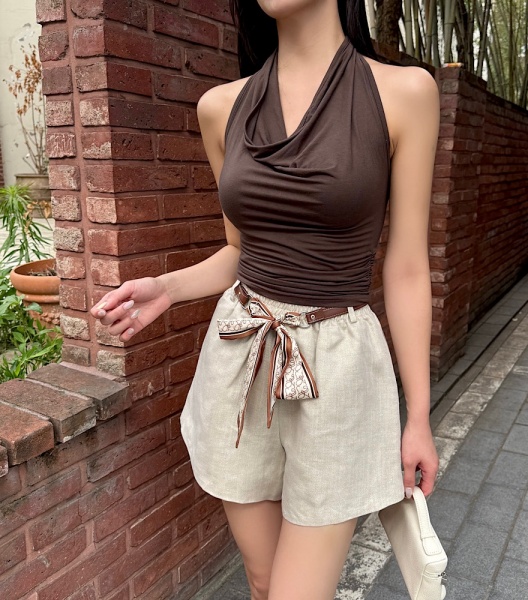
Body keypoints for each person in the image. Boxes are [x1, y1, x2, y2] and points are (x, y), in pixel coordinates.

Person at [90, 1, 441, 598]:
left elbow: (406, 267)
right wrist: (168, 289)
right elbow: (240, 250)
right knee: (261, 579)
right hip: (242, 353)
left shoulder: (405, 94)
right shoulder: (220, 108)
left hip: (338, 368)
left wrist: (418, 416)